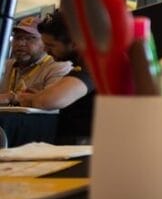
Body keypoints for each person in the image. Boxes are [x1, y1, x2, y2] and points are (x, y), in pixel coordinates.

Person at [15, 10, 96, 143]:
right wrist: (38, 96)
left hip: (82, 149)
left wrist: (30, 98)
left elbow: (47, 101)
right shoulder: (81, 63)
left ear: (74, 43)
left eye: (51, 45)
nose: (46, 51)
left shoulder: (94, 63)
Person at [1, 16, 71, 106]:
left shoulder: (58, 66)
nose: (21, 43)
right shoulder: (4, 65)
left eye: (30, 38)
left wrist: (12, 97)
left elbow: (52, 105)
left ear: (44, 42)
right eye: (17, 38)